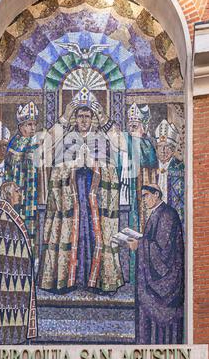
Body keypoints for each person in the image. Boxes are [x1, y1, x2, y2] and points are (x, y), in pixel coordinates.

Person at [38, 96, 126, 294]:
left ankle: (97, 281)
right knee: (72, 234)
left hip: (94, 198)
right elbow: (45, 146)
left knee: (96, 236)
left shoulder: (102, 139)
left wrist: (95, 165)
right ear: (75, 118)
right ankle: (68, 280)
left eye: (88, 116)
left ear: (93, 118)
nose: (84, 120)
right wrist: (73, 165)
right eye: (80, 116)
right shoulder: (67, 138)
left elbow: (122, 145)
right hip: (72, 198)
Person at [127, 183, 184, 344]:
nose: (144, 200)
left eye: (146, 196)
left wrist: (140, 245)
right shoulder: (157, 213)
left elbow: (164, 250)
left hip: (166, 280)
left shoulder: (167, 214)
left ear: (157, 194)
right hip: (155, 275)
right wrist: (141, 243)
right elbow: (153, 242)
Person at [0, 181, 37, 345]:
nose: (20, 195)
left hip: (16, 281)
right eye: (17, 191)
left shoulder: (9, 214)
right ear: (8, 194)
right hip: (4, 282)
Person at [120, 102, 158, 283]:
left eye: (136, 124)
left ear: (142, 126)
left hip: (139, 195)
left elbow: (150, 171)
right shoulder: (123, 141)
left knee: (140, 229)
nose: (132, 127)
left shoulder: (147, 146)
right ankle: (125, 274)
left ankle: (140, 275)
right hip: (123, 193)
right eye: (130, 124)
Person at [5, 101, 40, 255]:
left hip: (34, 195)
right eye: (29, 124)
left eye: (34, 124)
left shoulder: (36, 142)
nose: (32, 128)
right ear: (21, 126)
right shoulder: (15, 144)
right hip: (19, 194)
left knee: (33, 227)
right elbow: (9, 171)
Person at [155, 119, 185, 227]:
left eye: (166, 146)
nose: (163, 150)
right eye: (160, 147)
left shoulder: (179, 167)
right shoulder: (152, 168)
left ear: (172, 150)